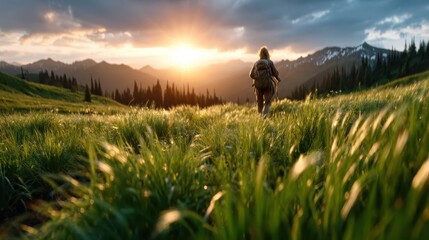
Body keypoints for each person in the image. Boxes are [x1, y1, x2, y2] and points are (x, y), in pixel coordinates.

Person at [249, 46, 281, 118]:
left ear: (259, 54)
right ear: (267, 54)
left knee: (259, 103)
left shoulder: (256, 63)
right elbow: (275, 73)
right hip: (268, 84)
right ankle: (264, 117)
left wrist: (257, 78)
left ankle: (260, 119)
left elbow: (251, 75)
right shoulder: (270, 62)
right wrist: (278, 79)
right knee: (267, 102)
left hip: (258, 86)